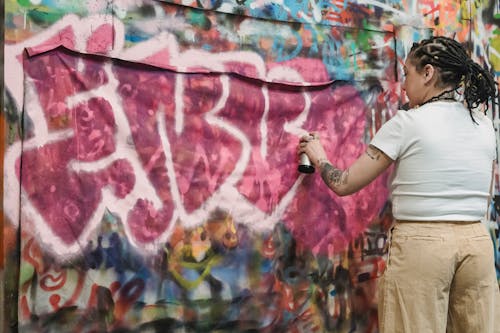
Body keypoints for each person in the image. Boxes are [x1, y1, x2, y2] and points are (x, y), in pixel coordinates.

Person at [297, 36, 499, 333]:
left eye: (408, 74)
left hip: (423, 247)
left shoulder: (408, 123)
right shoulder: (483, 124)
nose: (404, 86)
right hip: (477, 244)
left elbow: (344, 183)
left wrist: (319, 157)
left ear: (428, 73)